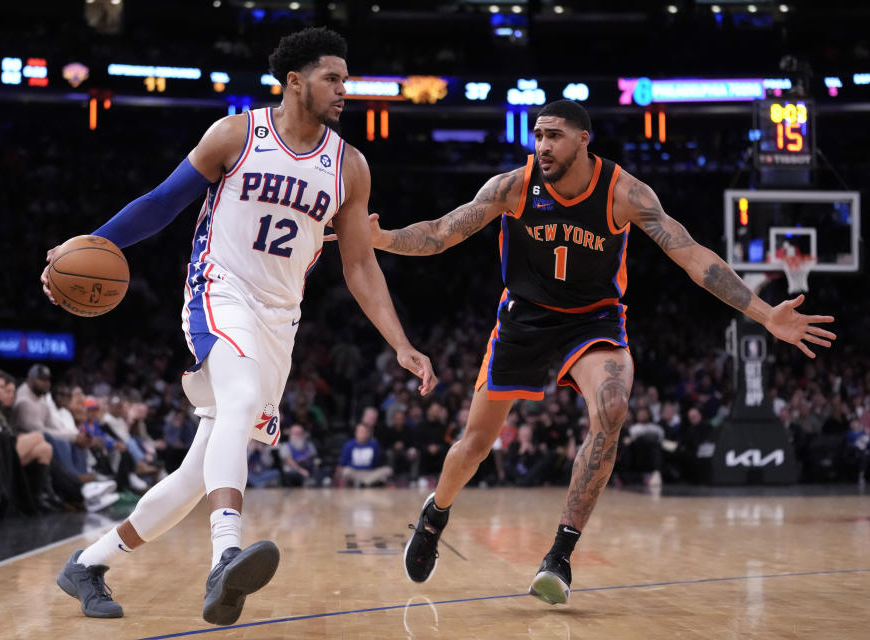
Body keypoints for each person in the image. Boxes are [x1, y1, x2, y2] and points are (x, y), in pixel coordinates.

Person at [362, 100, 836, 604]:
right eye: (538, 135)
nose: (542, 145)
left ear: (584, 140)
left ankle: (559, 556)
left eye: (554, 136)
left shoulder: (625, 193)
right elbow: (441, 233)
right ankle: (436, 513)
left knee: (611, 407)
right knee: (474, 446)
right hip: (524, 317)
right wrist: (383, 239)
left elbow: (694, 257)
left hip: (593, 320)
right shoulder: (515, 186)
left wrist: (765, 314)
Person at [42, 27, 436, 625]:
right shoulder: (237, 134)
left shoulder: (349, 166)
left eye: (346, 80)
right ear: (295, 81)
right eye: (333, 78)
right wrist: (92, 242)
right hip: (217, 290)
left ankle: (88, 565)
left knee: (197, 473)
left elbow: (359, 264)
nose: (343, 91)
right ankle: (226, 552)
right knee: (240, 399)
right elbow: (162, 202)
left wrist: (401, 343)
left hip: (280, 319)